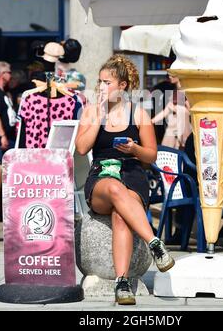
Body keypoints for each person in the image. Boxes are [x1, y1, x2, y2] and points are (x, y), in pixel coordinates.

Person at [75, 54, 175, 305]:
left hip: (132, 172)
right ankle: (155, 242)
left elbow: (151, 156)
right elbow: (81, 148)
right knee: (115, 189)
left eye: (107, 82)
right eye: (100, 82)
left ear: (123, 86)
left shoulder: (139, 114)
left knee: (122, 215)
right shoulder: (90, 111)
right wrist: (99, 117)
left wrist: (134, 150)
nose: (101, 87)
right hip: (101, 176)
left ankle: (122, 284)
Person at [151, 75, 191, 149]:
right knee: (167, 153)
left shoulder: (186, 91)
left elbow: (191, 111)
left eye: (172, 75)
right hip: (172, 130)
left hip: (182, 130)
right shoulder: (175, 91)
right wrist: (151, 121)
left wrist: (178, 109)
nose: (169, 76)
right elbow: (166, 111)